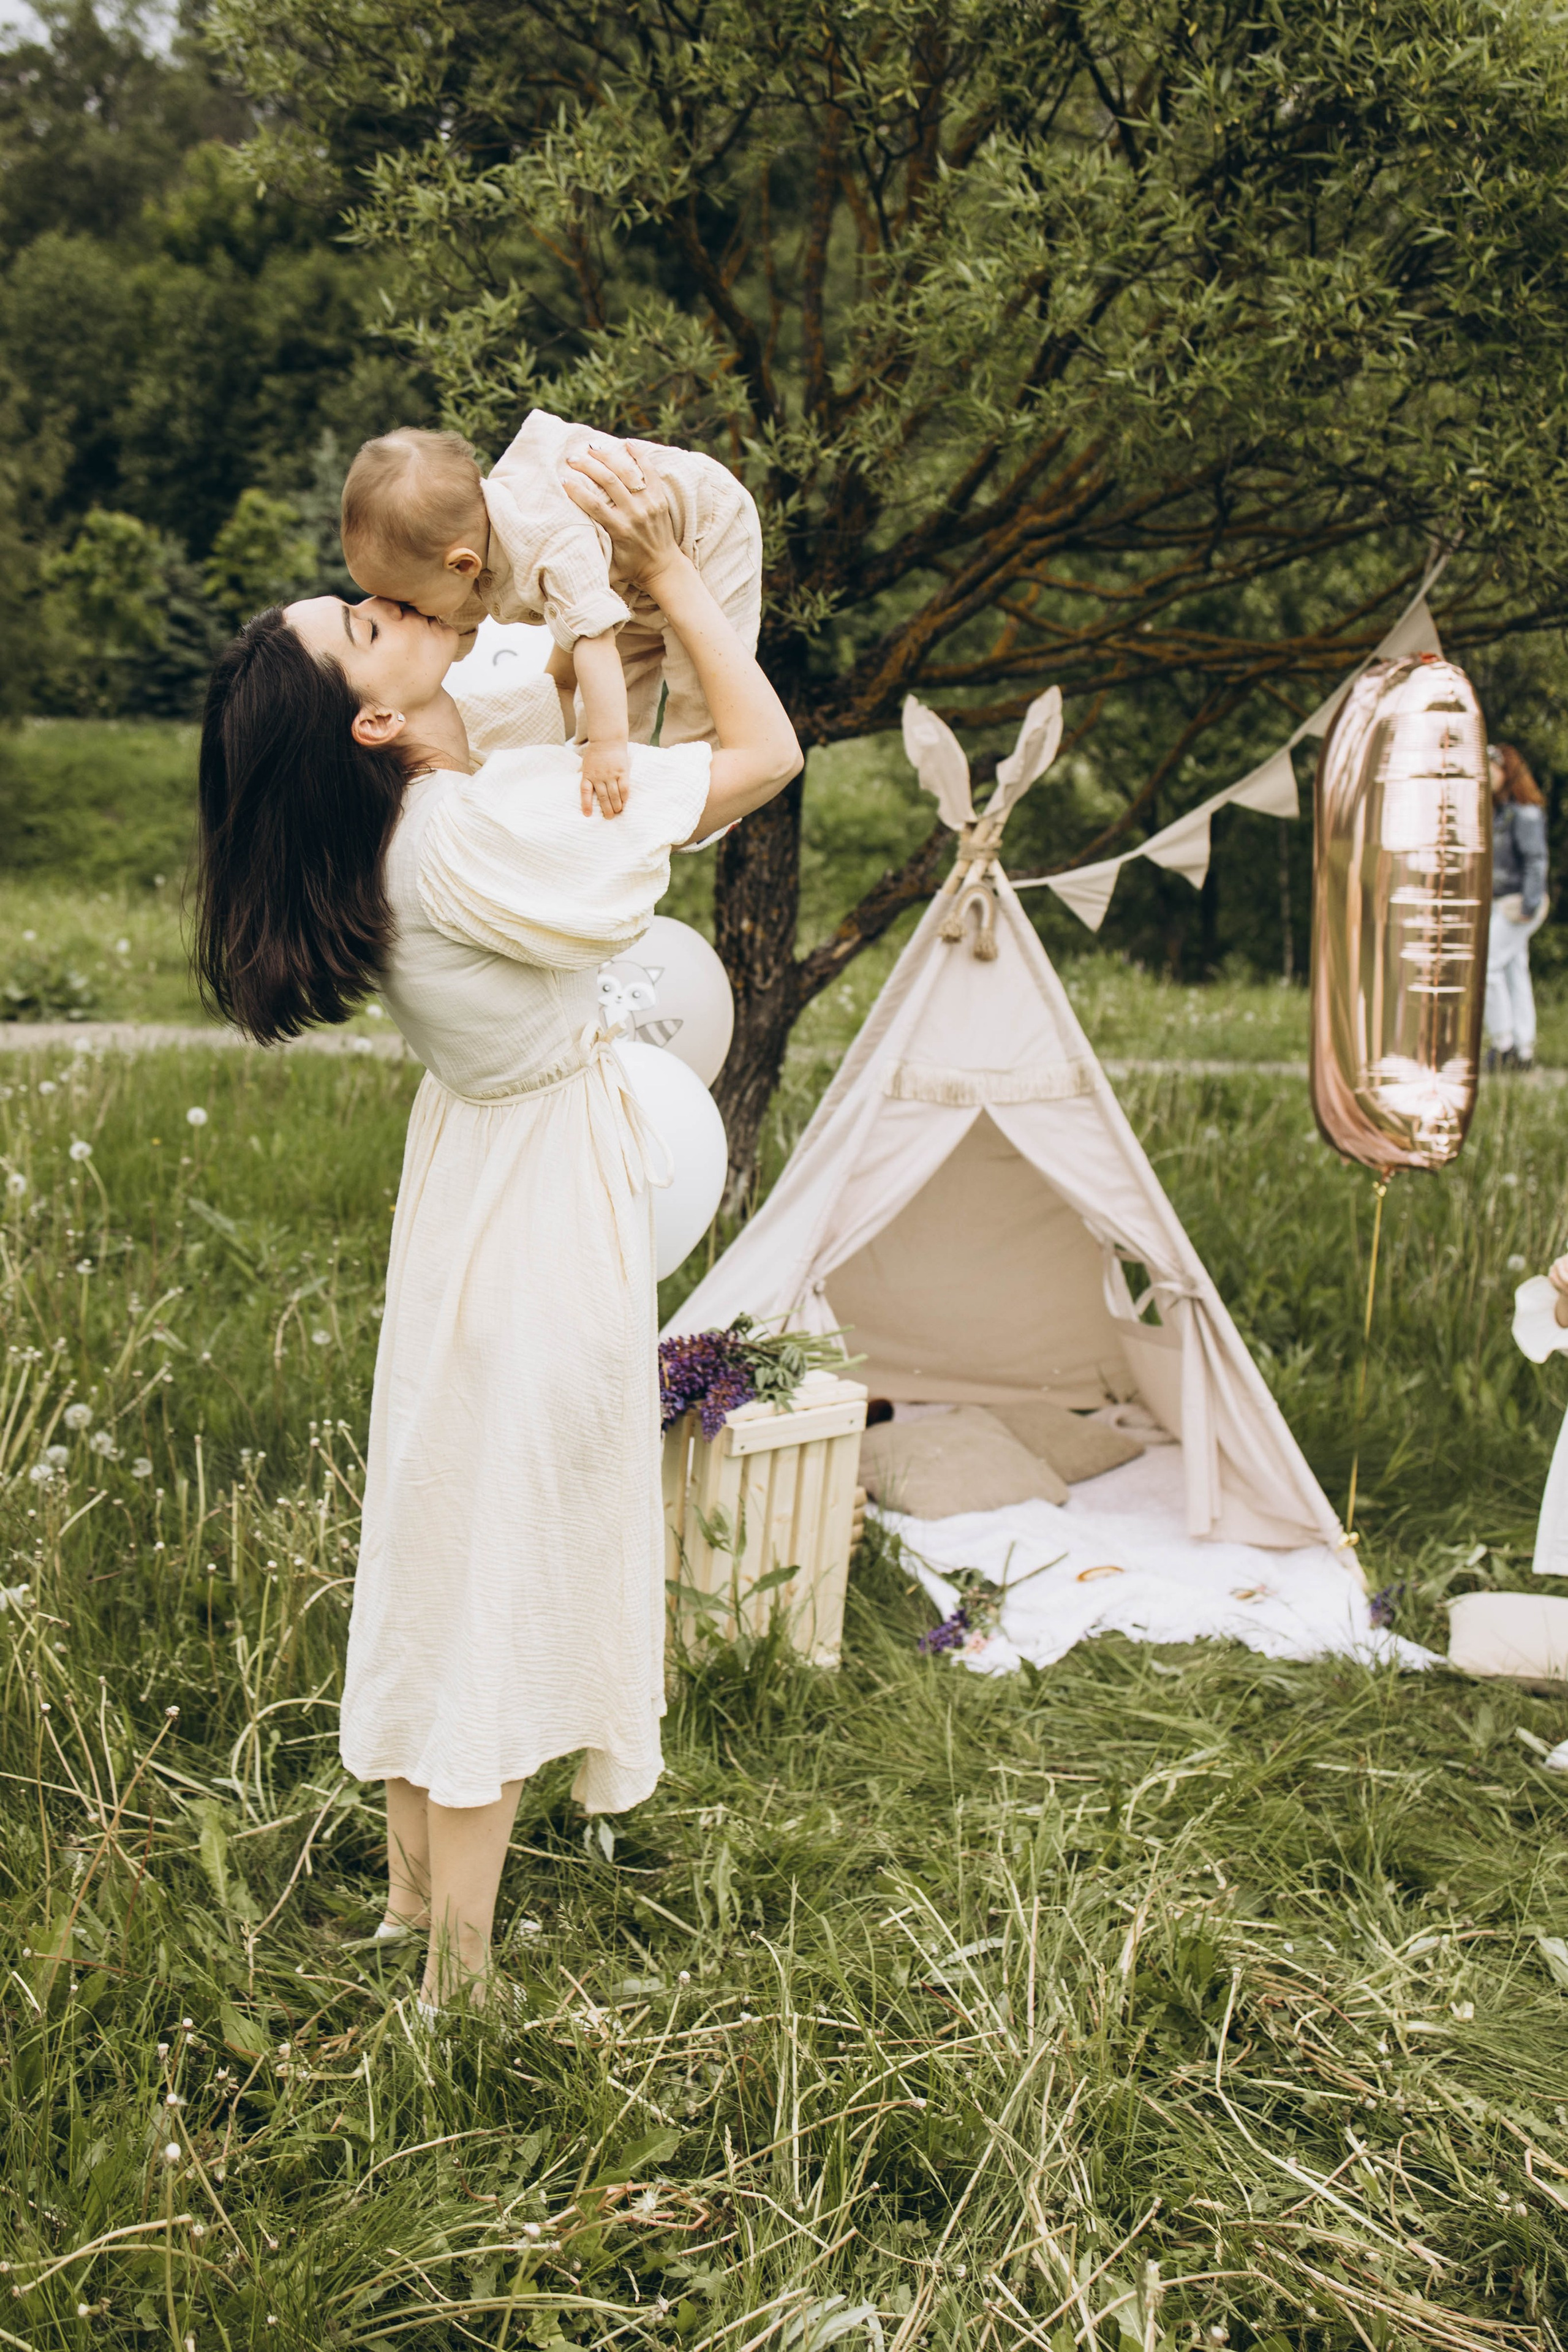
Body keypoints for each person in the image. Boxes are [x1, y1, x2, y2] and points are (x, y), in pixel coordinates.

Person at [194, 448, 800, 2013]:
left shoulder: (420, 814)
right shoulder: (467, 839)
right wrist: (662, 576)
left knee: (449, 1529)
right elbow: (763, 751)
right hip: (536, 1202)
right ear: (372, 718)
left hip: (478, 1182)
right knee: (506, 1559)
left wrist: (571, 620)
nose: (381, 603)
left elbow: (521, 686)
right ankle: (455, 1987)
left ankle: (413, 1915)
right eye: (363, 620)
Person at [339, 416, 763, 818]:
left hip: (706, 527)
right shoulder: (458, 565)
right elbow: (441, 649)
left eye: (408, 601)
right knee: (619, 684)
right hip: (627, 584)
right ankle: (613, 792)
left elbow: (594, 643)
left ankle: (717, 785)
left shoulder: (550, 545)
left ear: (463, 565)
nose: (405, 613)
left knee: (698, 685)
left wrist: (608, 746)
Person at [1484, 741, 1549, 1074]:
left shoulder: (1524, 813)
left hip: (1517, 904)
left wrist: (1530, 903)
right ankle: (1523, 1049)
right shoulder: (1500, 813)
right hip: (1503, 902)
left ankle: (1503, 1043)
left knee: (1487, 967)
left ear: (1506, 771)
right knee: (1513, 971)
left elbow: (1536, 861)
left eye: (1492, 769)